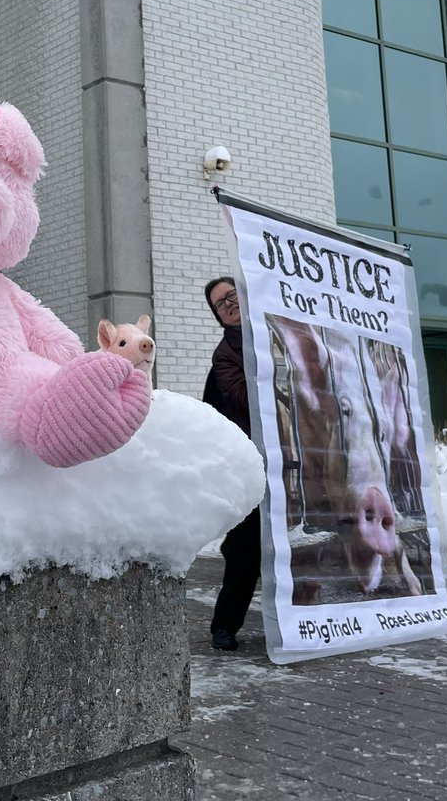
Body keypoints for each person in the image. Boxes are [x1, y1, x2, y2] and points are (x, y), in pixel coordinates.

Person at [202, 276, 261, 652]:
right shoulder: (226, 354)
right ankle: (224, 626)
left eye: (232, 295)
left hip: (293, 459)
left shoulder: (276, 334)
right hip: (251, 464)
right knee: (245, 548)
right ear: (220, 316)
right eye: (221, 304)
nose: (229, 303)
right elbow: (243, 398)